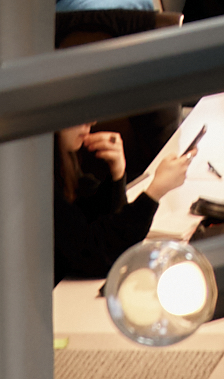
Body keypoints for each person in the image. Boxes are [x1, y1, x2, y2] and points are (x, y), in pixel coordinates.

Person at [52, 119, 193, 286]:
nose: (91, 121)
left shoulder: (63, 159)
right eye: (79, 111)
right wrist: (154, 193)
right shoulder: (36, 177)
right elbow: (95, 253)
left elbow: (91, 217)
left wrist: (117, 174)